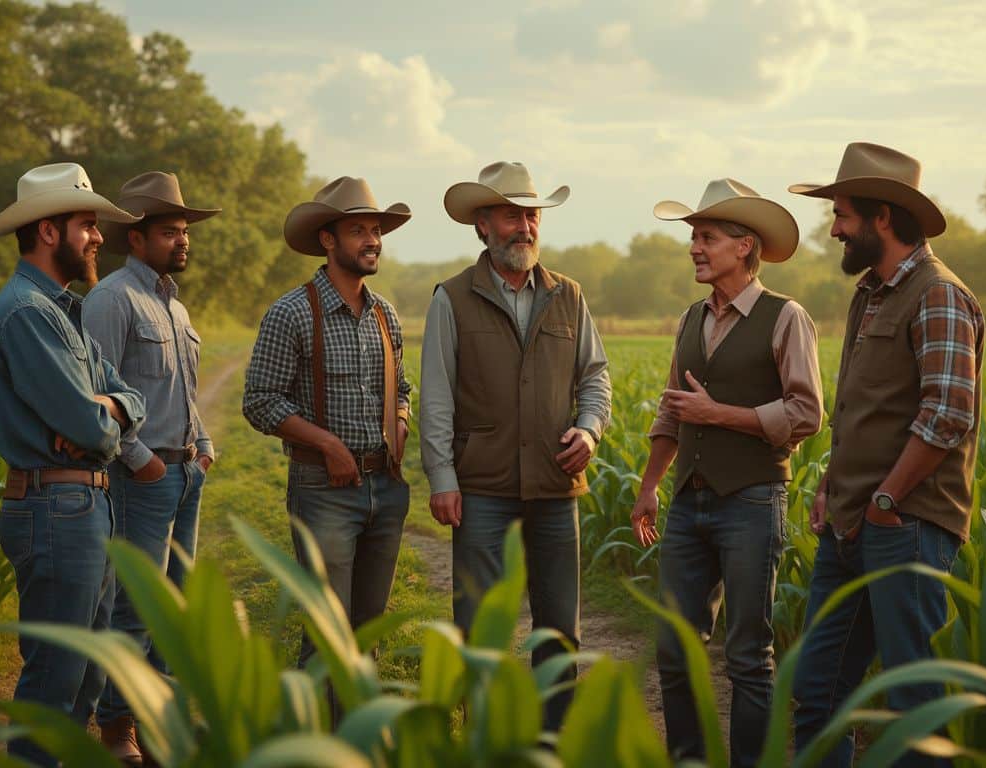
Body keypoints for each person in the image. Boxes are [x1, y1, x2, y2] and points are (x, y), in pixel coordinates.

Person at [788, 142, 985, 767]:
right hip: (852, 521)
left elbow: (948, 411)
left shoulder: (939, 294)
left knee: (911, 703)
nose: (835, 228)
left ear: (882, 218)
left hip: (906, 527)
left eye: (843, 214)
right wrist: (830, 484)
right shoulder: (871, 292)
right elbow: (864, 409)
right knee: (817, 691)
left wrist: (884, 500)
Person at [630, 178, 823, 766]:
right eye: (693, 237)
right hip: (687, 503)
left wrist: (723, 415)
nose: (694, 247)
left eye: (706, 237)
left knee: (748, 655)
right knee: (675, 648)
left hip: (752, 501)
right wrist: (648, 486)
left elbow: (807, 412)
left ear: (744, 246)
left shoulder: (786, 317)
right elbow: (671, 409)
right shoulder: (691, 318)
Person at [420, 161, 612, 732]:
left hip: (556, 489)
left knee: (560, 629)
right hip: (481, 490)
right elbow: (435, 397)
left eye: (531, 215)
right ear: (483, 225)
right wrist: (442, 479)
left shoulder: (569, 296)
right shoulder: (451, 298)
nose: (524, 227)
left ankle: (553, 741)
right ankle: (489, 737)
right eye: (511, 216)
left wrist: (590, 428)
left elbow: (595, 376)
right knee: (481, 626)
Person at [0, 162, 145, 766]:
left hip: (83, 508)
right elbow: (90, 429)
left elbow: (129, 398)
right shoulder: (27, 313)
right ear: (49, 232)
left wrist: (110, 408)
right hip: (54, 510)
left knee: (85, 680)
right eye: (87, 224)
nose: (99, 236)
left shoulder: (64, 311)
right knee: (55, 683)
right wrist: (103, 416)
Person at [242, 176, 412, 687]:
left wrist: (400, 421)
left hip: (385, 487)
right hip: (324, 492)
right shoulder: (291, 312)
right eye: (358, 229)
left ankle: (360, 737)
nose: (372, 240)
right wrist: (327, 444)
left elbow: (402, 385)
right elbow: (259, 401)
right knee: (327, 629)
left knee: (368, 631)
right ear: (328, 240)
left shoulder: (385, 314)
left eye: (376, 230)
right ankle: (317, 739)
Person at [81, 171, 221, 764]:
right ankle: (117, 727)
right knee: (135, 608)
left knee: (173, 606)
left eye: (184, 231)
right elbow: (95, 393)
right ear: (135, 239)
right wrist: (140, 463)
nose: (182, 241)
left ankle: (161, 722)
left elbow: (182, 393)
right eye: (170, 232)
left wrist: (205, 445)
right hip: (143, 480)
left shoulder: (175, 305)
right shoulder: (111, 300)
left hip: (185, 475)